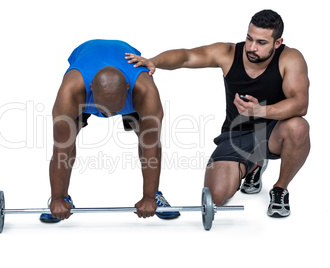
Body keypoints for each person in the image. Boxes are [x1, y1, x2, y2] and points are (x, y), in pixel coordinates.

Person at [125, 10, 310, 217]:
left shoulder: (290, 58)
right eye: (249, 39)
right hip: (236, 134)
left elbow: (300, 104)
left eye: (261, 42)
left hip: (272, 132)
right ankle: (253, 167)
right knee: (216, 197)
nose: (252, 47)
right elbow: (186, 57)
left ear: (277, 43)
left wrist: (260, 110)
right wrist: (154, 61)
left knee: (298, 126)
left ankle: (280, 188)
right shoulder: (229, 53)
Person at [40, 39, 180, 223]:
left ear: (128, 89)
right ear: (91, 89)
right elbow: (60, 150)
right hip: (86, 57)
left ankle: (155, 194)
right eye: (103, 109)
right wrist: (56, 198)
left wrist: (148, 198)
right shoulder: (71, 92)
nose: (108, 115)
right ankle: (63, 197)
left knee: (147, 140)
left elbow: (151, 148)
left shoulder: (146, 92)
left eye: (115, 110)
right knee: (67, 140)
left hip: (127, 72)